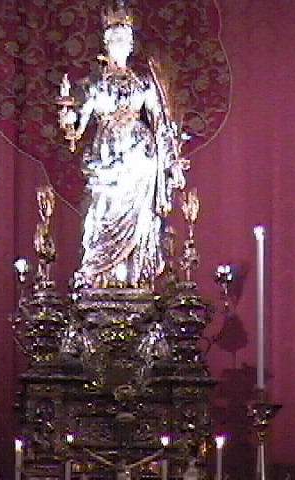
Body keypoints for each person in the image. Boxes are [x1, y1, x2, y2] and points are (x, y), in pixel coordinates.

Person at [63, 1, 186, 289]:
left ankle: (134, 276)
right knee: (100, 212)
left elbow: (162, 123)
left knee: (140, 219)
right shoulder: (94, 84)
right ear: (106, 43)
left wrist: (172, 163)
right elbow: (77, 128)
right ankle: (97, 274)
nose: (121, 45)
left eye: (125, 39)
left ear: (131, 45)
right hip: (106, 156)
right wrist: (69, 117)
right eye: (115, 39)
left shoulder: (143, 82)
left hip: (140, 158)